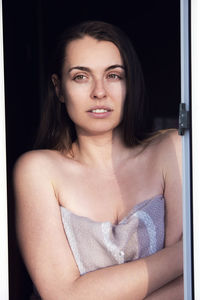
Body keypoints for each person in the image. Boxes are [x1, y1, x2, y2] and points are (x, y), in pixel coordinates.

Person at [13, 21, 183, 299]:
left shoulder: (170, 149)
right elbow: (63, 295)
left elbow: (188, 284)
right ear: (58, 89)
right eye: (81, 77)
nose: (99, 92)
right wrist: (185, 252)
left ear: (131, 83)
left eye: (114, 75)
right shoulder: (38, 170)